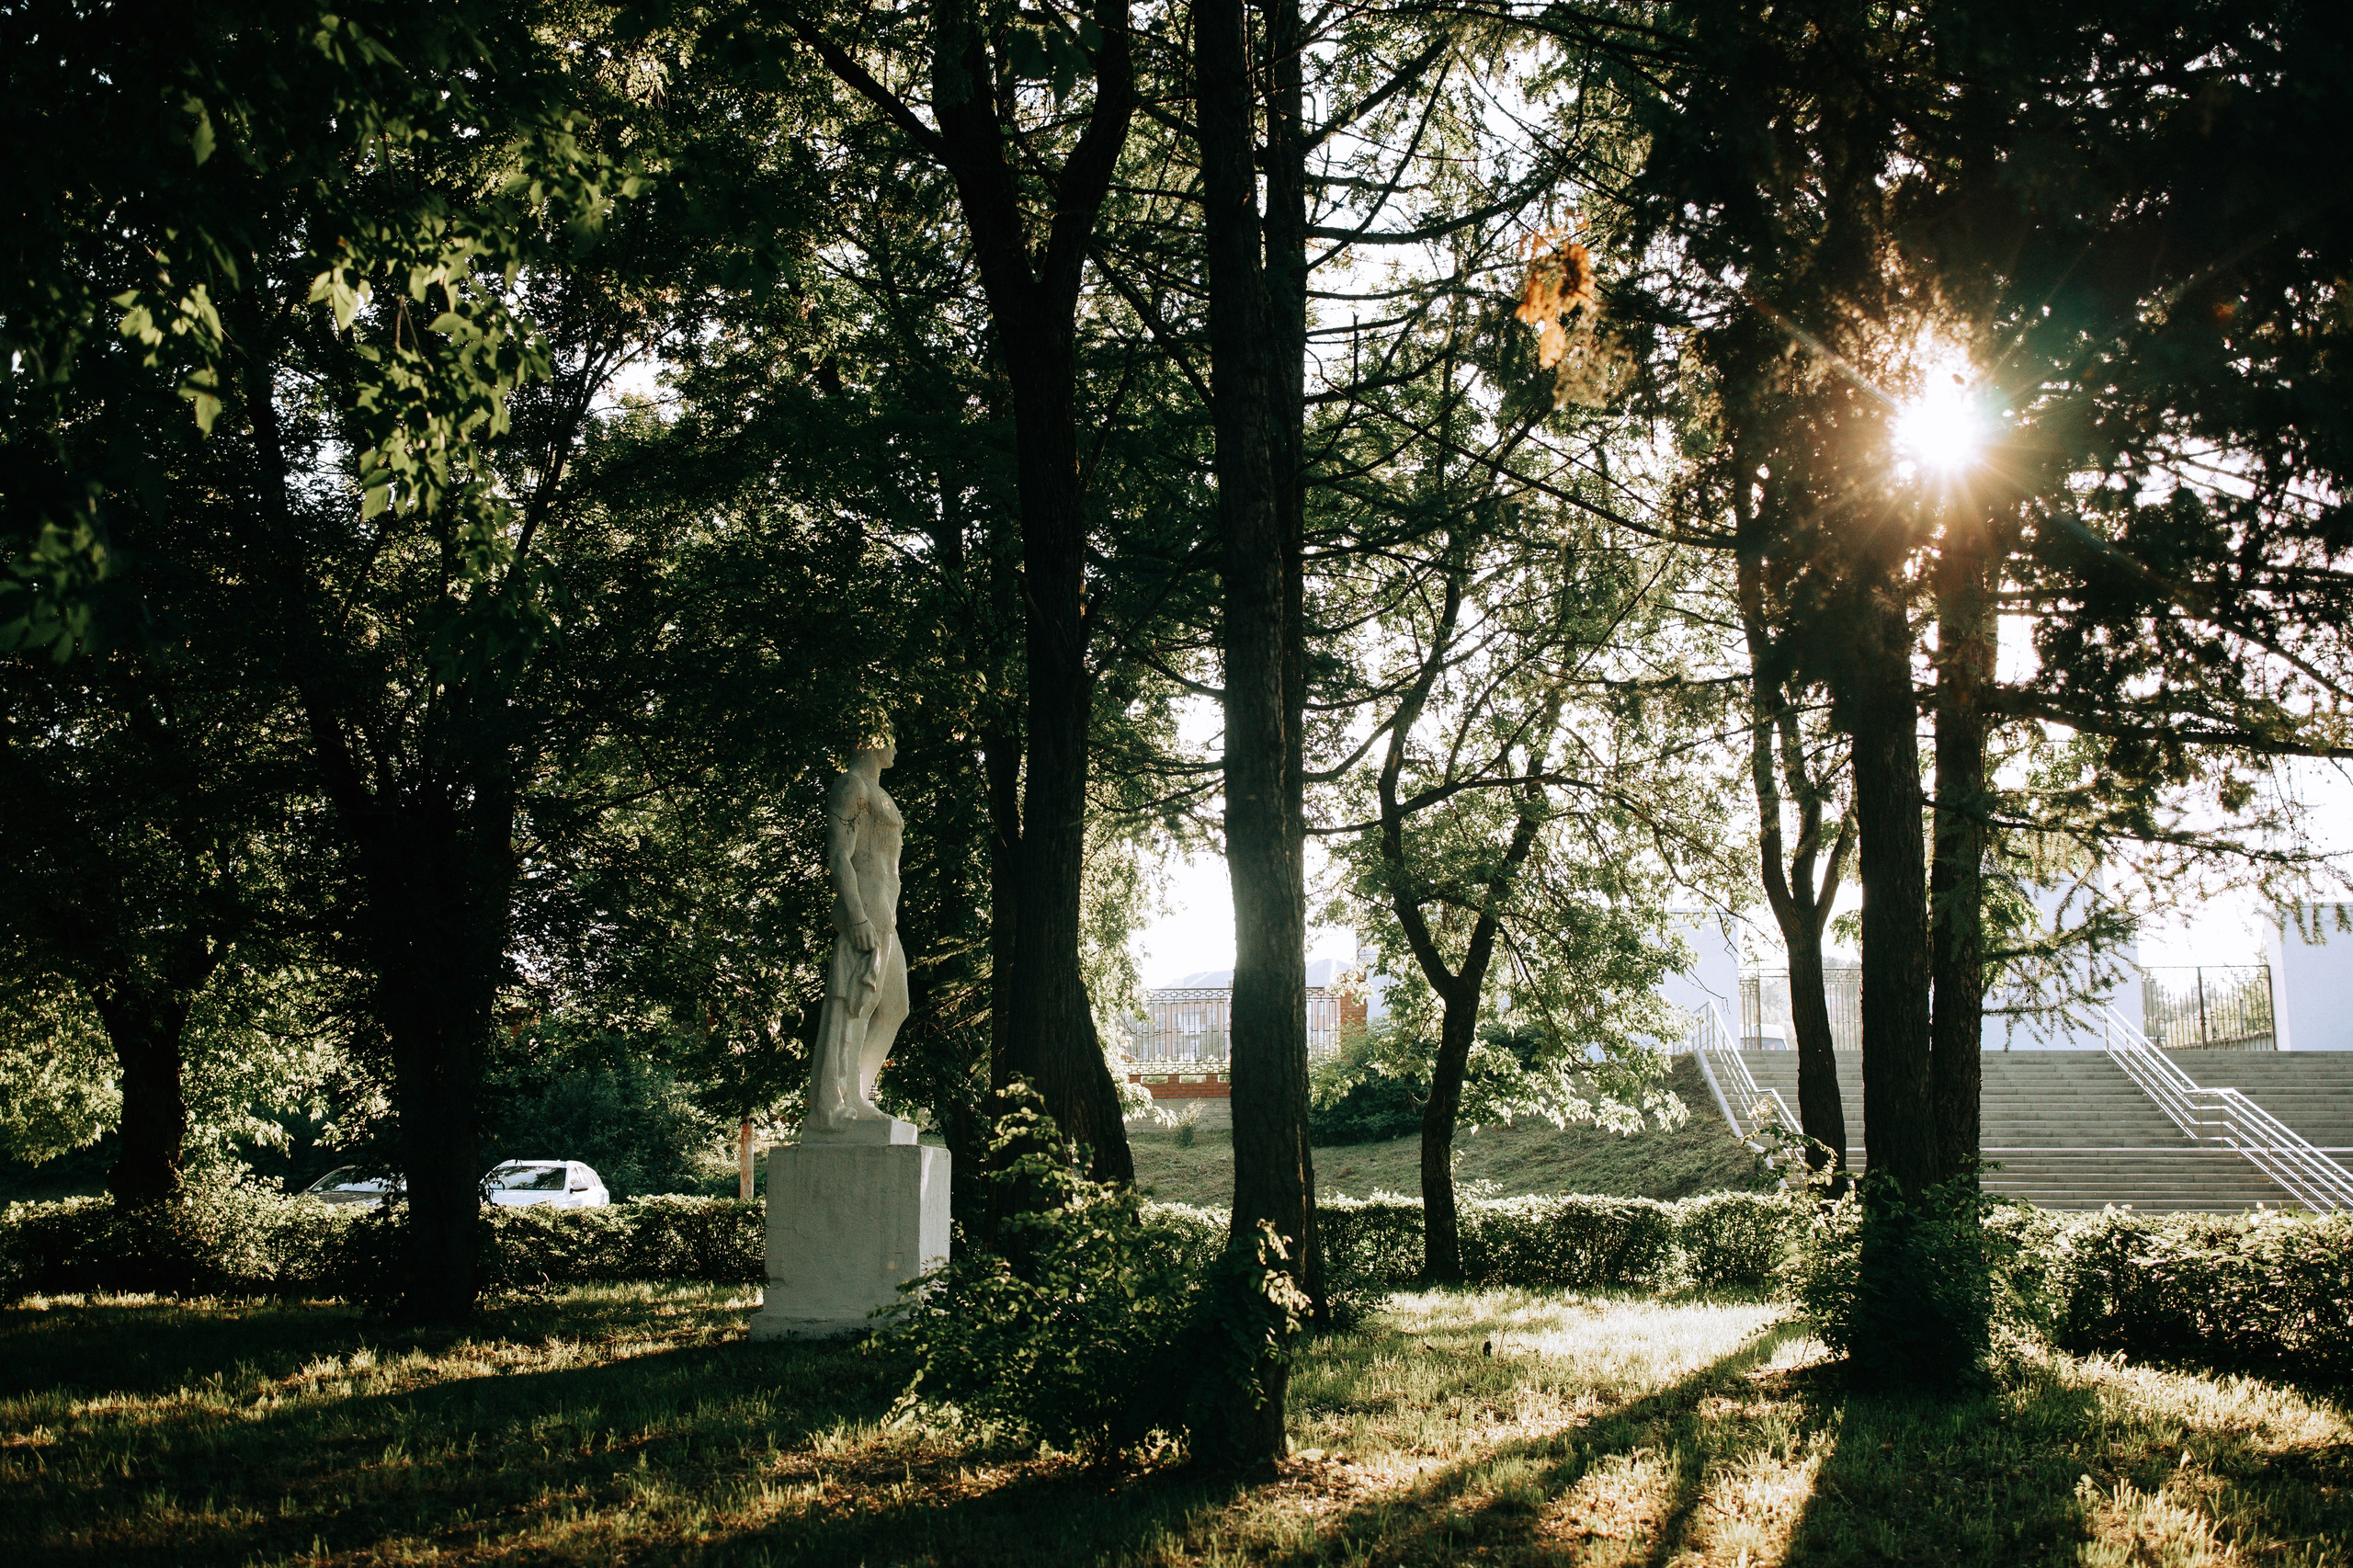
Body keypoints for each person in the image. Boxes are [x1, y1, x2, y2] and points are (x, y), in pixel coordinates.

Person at [802, 733, 910, 1136]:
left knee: (895, 1006)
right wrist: (858, 917)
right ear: (871, 739)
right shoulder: (851, 785)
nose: (896, 747)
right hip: (867, 906)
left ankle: (856, 1093)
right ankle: (834, 1103)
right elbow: (838, 857)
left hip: (887, 912)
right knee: (854, 1004)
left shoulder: (878, 793)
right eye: (891, 738)